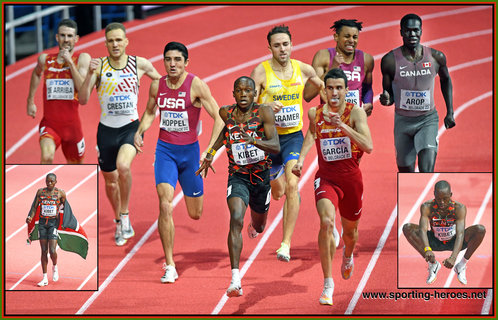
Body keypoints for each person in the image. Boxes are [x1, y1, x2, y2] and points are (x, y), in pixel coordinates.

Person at [133, 41, 224, 283]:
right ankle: (170, 264)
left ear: (186, 62)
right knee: (165, 204)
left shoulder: (196, 85)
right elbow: (151, 112)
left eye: (177, 60)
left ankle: (172, 259)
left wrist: (210, 151)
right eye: (168, 59)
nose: (172, 64)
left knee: (196, 213)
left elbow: (220, 118)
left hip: (191, 154)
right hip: (165, 152)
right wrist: (141, 131)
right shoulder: (156, 86)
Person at [292, 68, 373, 305]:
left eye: (339, 88)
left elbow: (368, 145)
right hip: (326, 178)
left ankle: (347, 255)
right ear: (324, 91)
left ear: (347, 90)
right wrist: (300, 159)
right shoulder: (315, 113)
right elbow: (311, 134)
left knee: (350, 234)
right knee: (326, 222)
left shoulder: (355, 113)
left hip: (351, 180)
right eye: (330, 88)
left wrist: (343, 127)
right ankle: (328, 283)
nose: (335, 92)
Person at [196, 76, 280, 297]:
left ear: (255, 94)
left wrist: (253, 141)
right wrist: (211, 154)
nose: (243, 94)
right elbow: (226, 133)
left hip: (261, 178)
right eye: (239, 91)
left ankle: (255, 225)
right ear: (233, 94)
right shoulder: (226, 113)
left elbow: (275, 146)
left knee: (260, 226)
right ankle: (235, 279)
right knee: (235, 217)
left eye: (248, 91)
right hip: (238, 176)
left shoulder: (264, 113)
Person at [79, 22, 161, 246]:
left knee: (123, 167)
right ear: (105, 43)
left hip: (130, 128)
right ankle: (117, 219)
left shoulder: (139, 64)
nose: (115, 44)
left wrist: (153, 110)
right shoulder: (99, 67)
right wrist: (88, 75)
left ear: (126, 42)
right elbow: (83, 99)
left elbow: (161, 83)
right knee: (111, 182)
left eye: (118, 40)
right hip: (106, 132)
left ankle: (124, 215)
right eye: (110, 40)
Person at [250, 25, 324, 262]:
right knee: (278, 191)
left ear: (291, 45)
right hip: (268, 140)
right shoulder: (260, 73)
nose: (282, 49)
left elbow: (319, 87)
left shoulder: (303, 69)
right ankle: (259, 213)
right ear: (269, 47)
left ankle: (285, 244)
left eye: (285, 44)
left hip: (293, 137)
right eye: (277, 45)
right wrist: (265, 107)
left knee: (292, 186)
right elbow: (247, 107)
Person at [379, 13, 455, 172]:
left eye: (416, 30)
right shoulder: (389, 61)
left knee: (426, 169)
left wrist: (450, 112)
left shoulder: (436, 57)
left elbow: (446, 80)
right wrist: (387, 99)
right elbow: (389, 96)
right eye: (407, 31)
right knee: (405, 171)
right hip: (403, 122)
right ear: (401, 32)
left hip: (427, 120)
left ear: (421, 31)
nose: (412, 34)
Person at [26, 19, 90, 164]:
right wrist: (30, 101)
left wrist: (70, 63)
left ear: (76, 39)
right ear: (57, 37)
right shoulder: (45, 59)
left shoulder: (82, 59)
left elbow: (81, 88)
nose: (66, 40)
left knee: (76, 169)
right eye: (62, 35)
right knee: (47, 157)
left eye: (69, 36)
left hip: (73, 128)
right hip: (50, 124)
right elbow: (36, 73)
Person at [402, 180, 486, 285]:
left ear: (451, 195)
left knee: (480, 230)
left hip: (454, 242)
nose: (442, 202)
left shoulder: (459, 208)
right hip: (435, 241)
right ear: (434, 195)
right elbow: (423, 230)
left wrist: (453, 257)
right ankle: (432, 264)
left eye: (445, 199)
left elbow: (460, 234)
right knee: (407, 228)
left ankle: (462, 265)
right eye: (438, 199)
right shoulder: (427, 206)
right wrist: (427, 249)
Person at [303, 19, 374, 116]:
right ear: (336, 37)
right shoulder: (323, 57)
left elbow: (367, 88)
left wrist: (368, 102)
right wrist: (332, 68)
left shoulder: (366, 59)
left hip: (354, 121)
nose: (351, 41)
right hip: (329, 121)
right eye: (347, 36)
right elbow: (308, 95)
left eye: (355, 37)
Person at [26, 173, 67, 287]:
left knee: (52, 250)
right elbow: (34, 207)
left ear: (55, 182)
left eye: (51, 181)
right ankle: (44, 278)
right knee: (44, 251)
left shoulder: (60, 193)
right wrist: (30, 216)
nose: (49, 183)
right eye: (47, 181)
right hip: (43, 224)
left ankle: (55, 266)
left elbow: (66, 208)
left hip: (53, 224)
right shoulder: (40, 192)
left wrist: (65, 222)